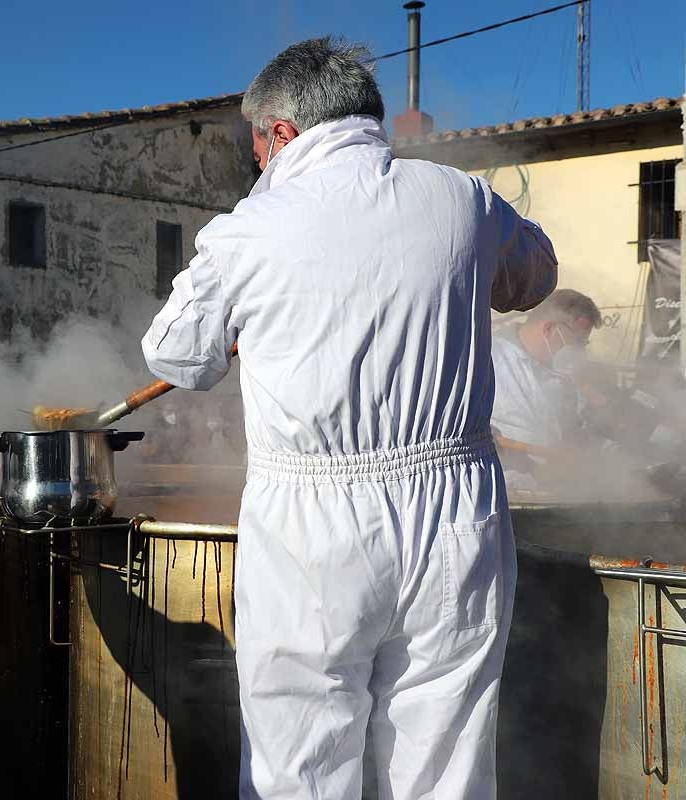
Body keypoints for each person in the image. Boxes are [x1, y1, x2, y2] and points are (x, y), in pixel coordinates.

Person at [142, 38, 557, 799]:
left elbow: (175, 357)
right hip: (455, 517)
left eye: (256, 146)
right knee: (447, 762)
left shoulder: (249, 228)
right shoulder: (462, 197)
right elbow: (535, 278)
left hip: (309, 531)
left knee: (299, 764)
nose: (257, 164)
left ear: (284, 134)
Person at [490, 289, 601, 485]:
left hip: (545, 493)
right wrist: (530, 462)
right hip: (497, 490)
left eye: (584, 343)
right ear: (549, 328)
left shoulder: (563, 378)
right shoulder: (488, 357)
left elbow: (571, 433)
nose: (579, 350)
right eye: (577, 341)